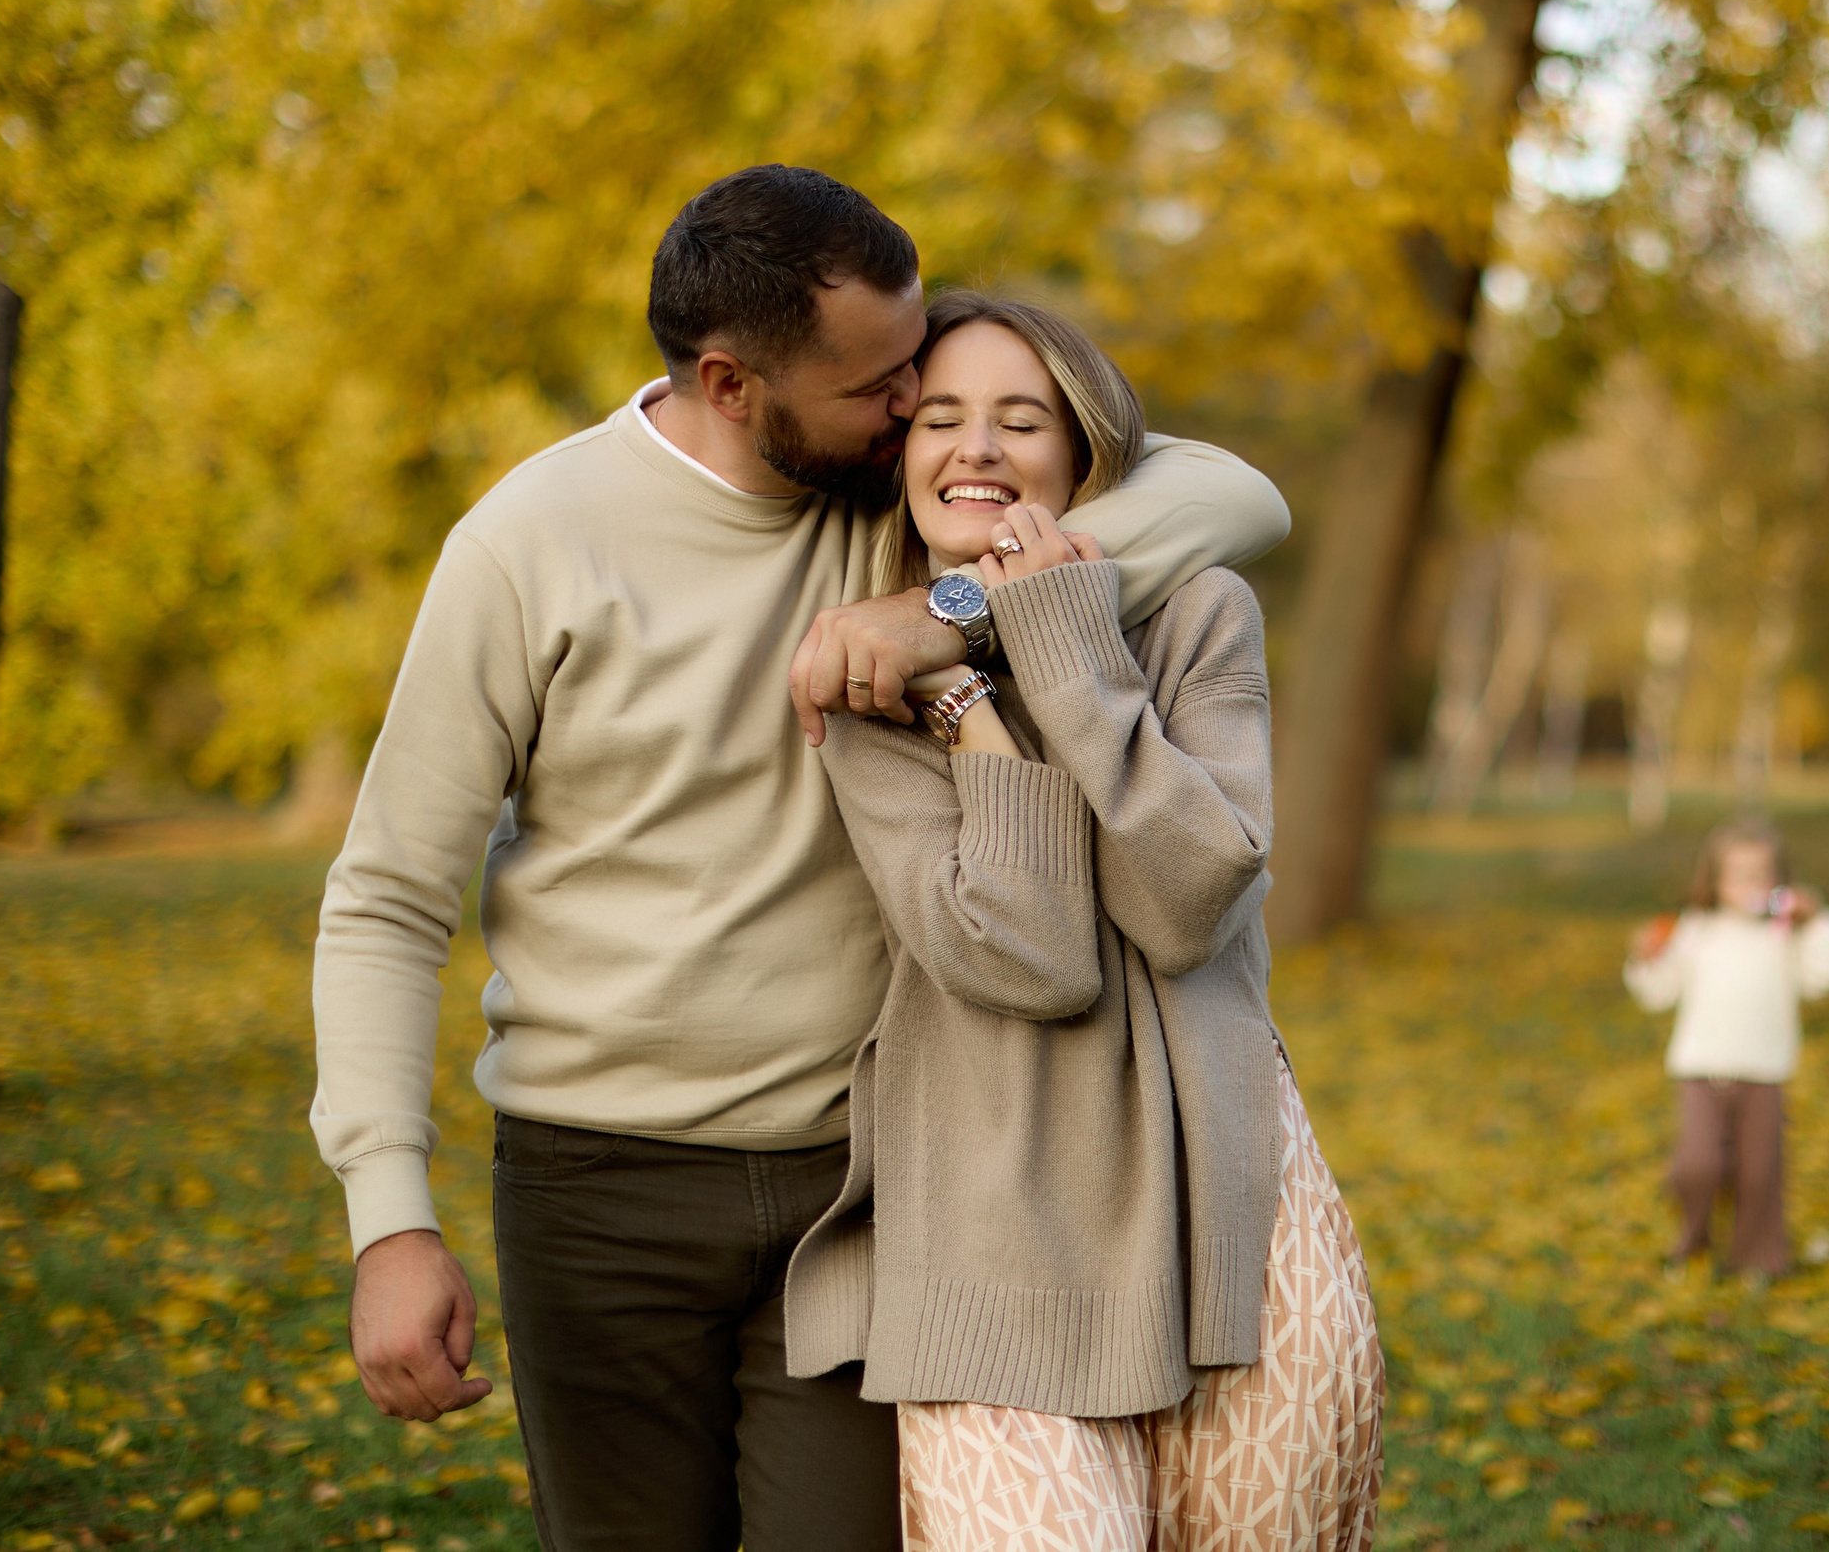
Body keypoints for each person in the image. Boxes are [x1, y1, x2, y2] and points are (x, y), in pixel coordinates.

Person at [309, 167, 1291, 1552]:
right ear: (730, 382)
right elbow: (389, 895)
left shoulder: (896, 512)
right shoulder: (529, 544)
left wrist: (941, 608)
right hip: (601, 1187)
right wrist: (388, 1215)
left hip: (866, 1183)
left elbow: (1232, 490)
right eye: (881, 382)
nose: (917, 407)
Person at [786, 291, 1384, 1549]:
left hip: (1231, 1213)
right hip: (993, 1220)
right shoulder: (862, 675)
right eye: (939, 419)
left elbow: (1187, 900)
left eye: (1021, 420)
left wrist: (1049, 638)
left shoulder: (1202, 614)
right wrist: (964, 706)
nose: (977, 451)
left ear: (1085, 456)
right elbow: (1030, 952)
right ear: (900, 456)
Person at [1624, 818, 1829, 1281]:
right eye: (1738, 875)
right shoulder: (1696, 930)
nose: (1750, 884)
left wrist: (1817, 920)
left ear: (1780, 879)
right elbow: (1658, 992)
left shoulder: (1787, 934)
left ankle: (1759, 1259)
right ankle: (1692, 1244)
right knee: (1697, 1166)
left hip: (1764, 1072)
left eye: (1761, 874)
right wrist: (1644, 958)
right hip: (1701, 1071)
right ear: (1715, 880)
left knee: (1759, 1174)